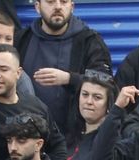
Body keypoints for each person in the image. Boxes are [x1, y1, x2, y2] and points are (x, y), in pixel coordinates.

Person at [15, 0, 111, 133]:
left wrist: (69, 78)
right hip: (28, 137)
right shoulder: (22, 40)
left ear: (72, 7)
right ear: (37, 7)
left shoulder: (89, 41)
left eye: (64, 2)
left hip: (76, 139)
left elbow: (106, 82)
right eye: (50, 2)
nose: (58, 7)